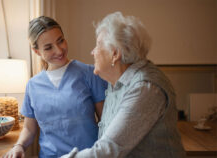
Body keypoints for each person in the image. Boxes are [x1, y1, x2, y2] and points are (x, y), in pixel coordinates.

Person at [61, 11, 186, 158]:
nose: (92, 52)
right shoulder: (116, 83)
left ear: (115, 54)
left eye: (98, 45)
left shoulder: (145, 88)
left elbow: (108, 150)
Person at [3, 16, 107, 158]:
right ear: (37, 51)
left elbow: (106, 122)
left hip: (89, 155)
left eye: (60, 41)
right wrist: (19, 146)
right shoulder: (33, 85)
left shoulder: (89, 74)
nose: (59, 50)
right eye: (48, 47)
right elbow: (29, 128)